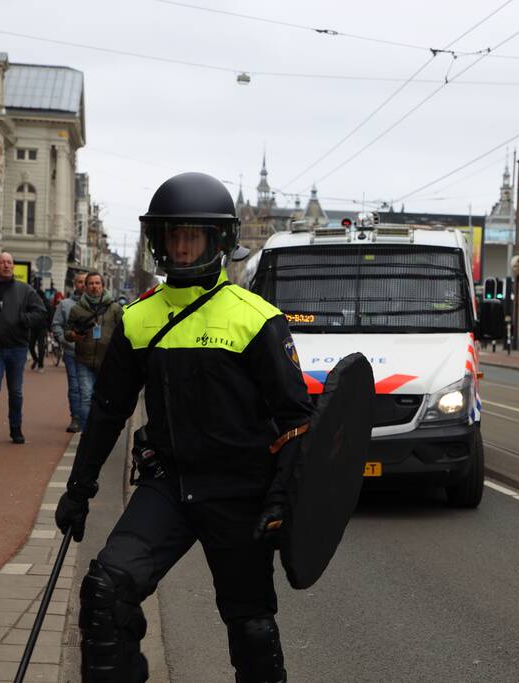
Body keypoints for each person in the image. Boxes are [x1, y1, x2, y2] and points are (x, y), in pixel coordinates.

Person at [54, 172, 313, 682]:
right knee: (105, 591)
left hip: (238, 493)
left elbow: (296, 420)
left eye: (192, 236)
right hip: (168, 487)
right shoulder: (138, 318)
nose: (181, 247)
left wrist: (283, 497)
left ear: (218, 242)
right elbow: (107, 411)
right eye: (172, 235)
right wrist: (78, 489)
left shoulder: (257, 319)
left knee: (251, 625)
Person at [0, 252, 48, 449]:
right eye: (2, 262)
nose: (6, 265)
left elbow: (41, 311)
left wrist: (24, 320)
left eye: (9, 262)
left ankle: (15, 428)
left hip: (17, 347)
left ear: (13, 266)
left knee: (15, 391)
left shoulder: (25, 290)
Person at [66, 272, 123, 428]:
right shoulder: (77, 309)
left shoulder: (115, 308)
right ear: (85, 287)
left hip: (106, 361)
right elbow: (67, 332)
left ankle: (99, 431)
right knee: (86, 397)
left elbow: (123, 332)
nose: (94, 286)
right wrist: (73, 335)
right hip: (83, 360)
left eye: (97, 283)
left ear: (103, 286)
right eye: (91, 283)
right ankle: (85, 433)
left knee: (104, 398)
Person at [52, 272, 88, 433]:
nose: (83, 284)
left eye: (85, 281)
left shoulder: (97, 304)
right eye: (79, 282)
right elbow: (56, 324)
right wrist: (64, 340)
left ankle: (87, 418)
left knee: (88, 387)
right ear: (75, 284)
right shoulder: (65, 304)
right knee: (74, 386)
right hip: (72, 352)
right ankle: (76, 418)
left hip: (92, 354)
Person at [29, 278, 52, 372]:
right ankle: (36, 359)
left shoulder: (47, 304)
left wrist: (49, 328)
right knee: (30, 346)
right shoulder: (32, 303)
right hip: (33, 327)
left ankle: (41, 365)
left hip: (42, 327)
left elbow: (50, 316)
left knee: (41, 346)